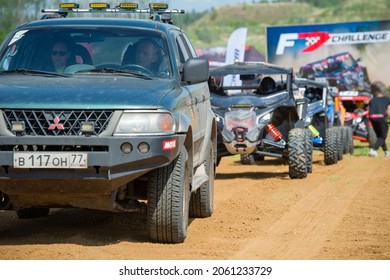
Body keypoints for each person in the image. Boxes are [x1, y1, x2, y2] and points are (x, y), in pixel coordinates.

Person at [367, 81, 390, 158]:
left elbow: (368, 110)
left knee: (379, 136)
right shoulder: (387, 99)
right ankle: (373, 150)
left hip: (372, 118)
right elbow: (389, 112)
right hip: (381, 118)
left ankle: (386, 152)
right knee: (383, 136)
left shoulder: (372, 100)